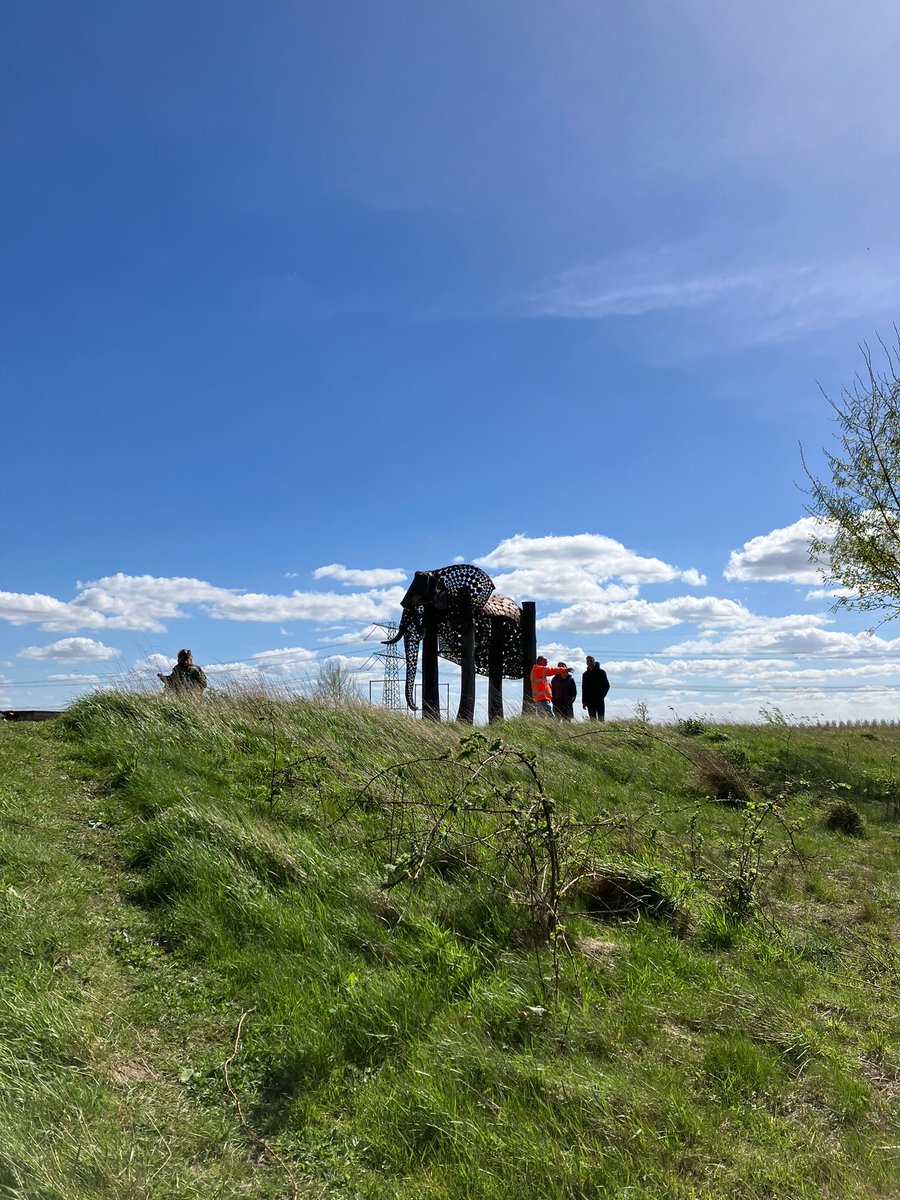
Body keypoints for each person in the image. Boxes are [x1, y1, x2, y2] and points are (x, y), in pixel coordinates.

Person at [581, 655, 610, 721]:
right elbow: (584, 689)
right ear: (586, 663)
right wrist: (584, 701)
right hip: (589, 701)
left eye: (591, 661)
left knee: (601, 719)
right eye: (588, 661)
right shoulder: (585, 675)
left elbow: (607, 686)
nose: (589, 663)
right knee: (592, 720)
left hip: (599, 700)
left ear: (594, 662)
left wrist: (601, 696)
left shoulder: (601, 672)